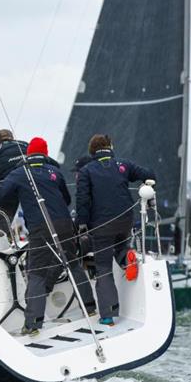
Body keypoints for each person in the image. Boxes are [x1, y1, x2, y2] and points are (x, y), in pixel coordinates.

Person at [0, 137, 96, 336]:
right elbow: (66, 199)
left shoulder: (18, 174)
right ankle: (90, 308)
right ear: (45, 153)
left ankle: (32, 325)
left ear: (28, 153)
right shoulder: (54, 172)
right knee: (72, 264)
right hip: (64, 224)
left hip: (40, 227)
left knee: (37, 273)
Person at [74, 134, 156, 326]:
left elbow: (82, 200)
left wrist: (82, 224)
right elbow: (149, 174)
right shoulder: (123, 164)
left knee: (103, 268)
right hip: (125, 221)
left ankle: (108, 315)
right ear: (109, 147)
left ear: (92, 150)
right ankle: (127, 258)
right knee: (120, 247)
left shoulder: (87, 170)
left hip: (101, 225)